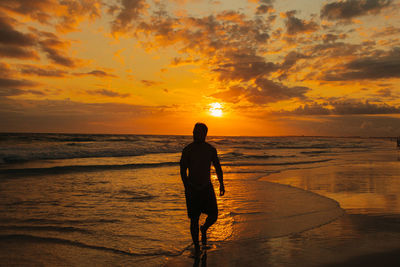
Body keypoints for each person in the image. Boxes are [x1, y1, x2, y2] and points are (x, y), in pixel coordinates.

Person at [180, 122, 225, 256]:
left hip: (206, 187)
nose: (195, 134)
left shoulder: (210, 149)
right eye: (194, 131)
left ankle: (204, 228)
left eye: (198, 132)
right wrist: (187, 186)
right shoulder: (188, 149)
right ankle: (197, 247)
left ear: (204, 134)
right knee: (194, 219)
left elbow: (217, 167)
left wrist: (221, 184)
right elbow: (182, 171)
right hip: (192, 189)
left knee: (214, 216)